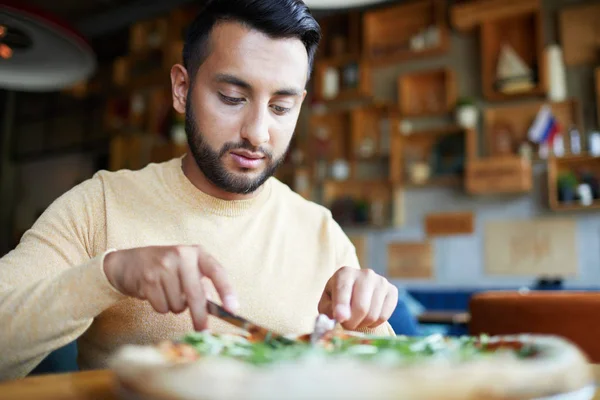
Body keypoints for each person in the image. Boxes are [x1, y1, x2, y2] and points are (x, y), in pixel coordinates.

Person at [0, 0, 400, 380]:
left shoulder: (321, 233)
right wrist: (109, 274)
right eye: (232, 97)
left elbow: (389, 382)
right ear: (181, 88)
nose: (257, 133)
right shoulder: (101, 205)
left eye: (281, 107)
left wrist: (368, 323)